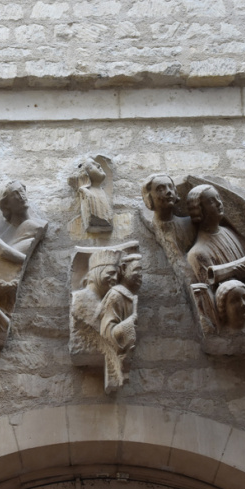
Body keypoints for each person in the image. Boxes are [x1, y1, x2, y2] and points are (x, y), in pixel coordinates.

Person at [100, 254, 142, 392]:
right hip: (117, 355)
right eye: (137, 269)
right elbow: (107, 332)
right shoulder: (116, 295)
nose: (141, 275)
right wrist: (131, 320)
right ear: (123, 269)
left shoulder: (127, 296)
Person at [141, 173, 195, 258]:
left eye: (170, 187)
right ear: (149, 197)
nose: (169, 192)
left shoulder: (189, 224)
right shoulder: (153, 225)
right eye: (160, 189)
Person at [0, 180, 47, 256]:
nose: (21, 195)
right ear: (6, 204)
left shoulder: (40, 224)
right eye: (15, 193)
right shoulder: (5, 235)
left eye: (22, 190)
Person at [78, 157, 113, 232]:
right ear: (87, 173)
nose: (99, 165)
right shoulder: (87, 193)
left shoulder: (103, 193)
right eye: (93, 164)